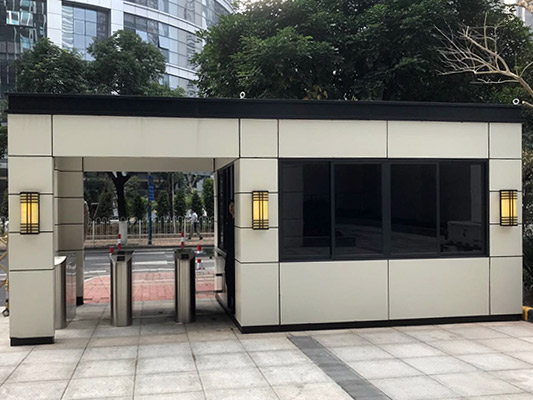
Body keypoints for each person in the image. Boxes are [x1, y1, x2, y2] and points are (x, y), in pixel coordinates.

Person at [223, 199, 235, 312]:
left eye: (233, 206)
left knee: (232, 278)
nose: (231, 208)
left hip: (235, 254)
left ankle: (234, 303)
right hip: (229, 253)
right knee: (228, 277)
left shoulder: (237, 223)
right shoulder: (229, 220)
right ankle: (231, 300)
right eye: (230, 206)